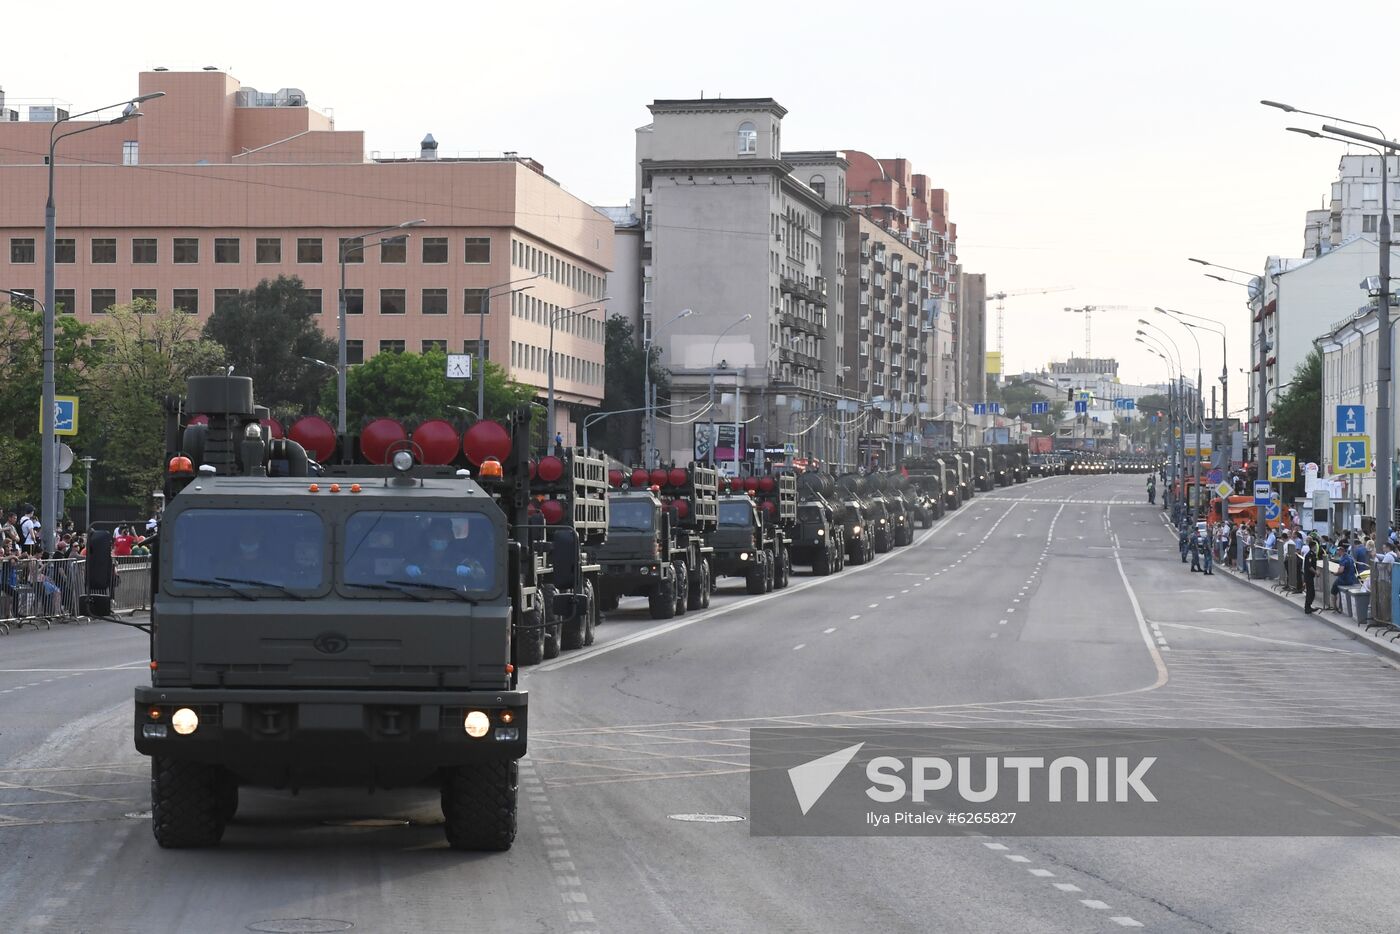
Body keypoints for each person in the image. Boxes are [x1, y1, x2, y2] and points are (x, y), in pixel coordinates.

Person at [1303, 535, 1318, 614]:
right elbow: (1309, 567)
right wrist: (1316, 572)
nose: (1316, 547)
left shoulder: (1313, 554)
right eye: (1315, 546)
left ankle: (1308, 606)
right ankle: (1307, 607)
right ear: (1313, 546)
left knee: (1311, 592)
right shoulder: (1309, 555)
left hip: (1310, 576)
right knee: (1310, 592)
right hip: (1308, 576)